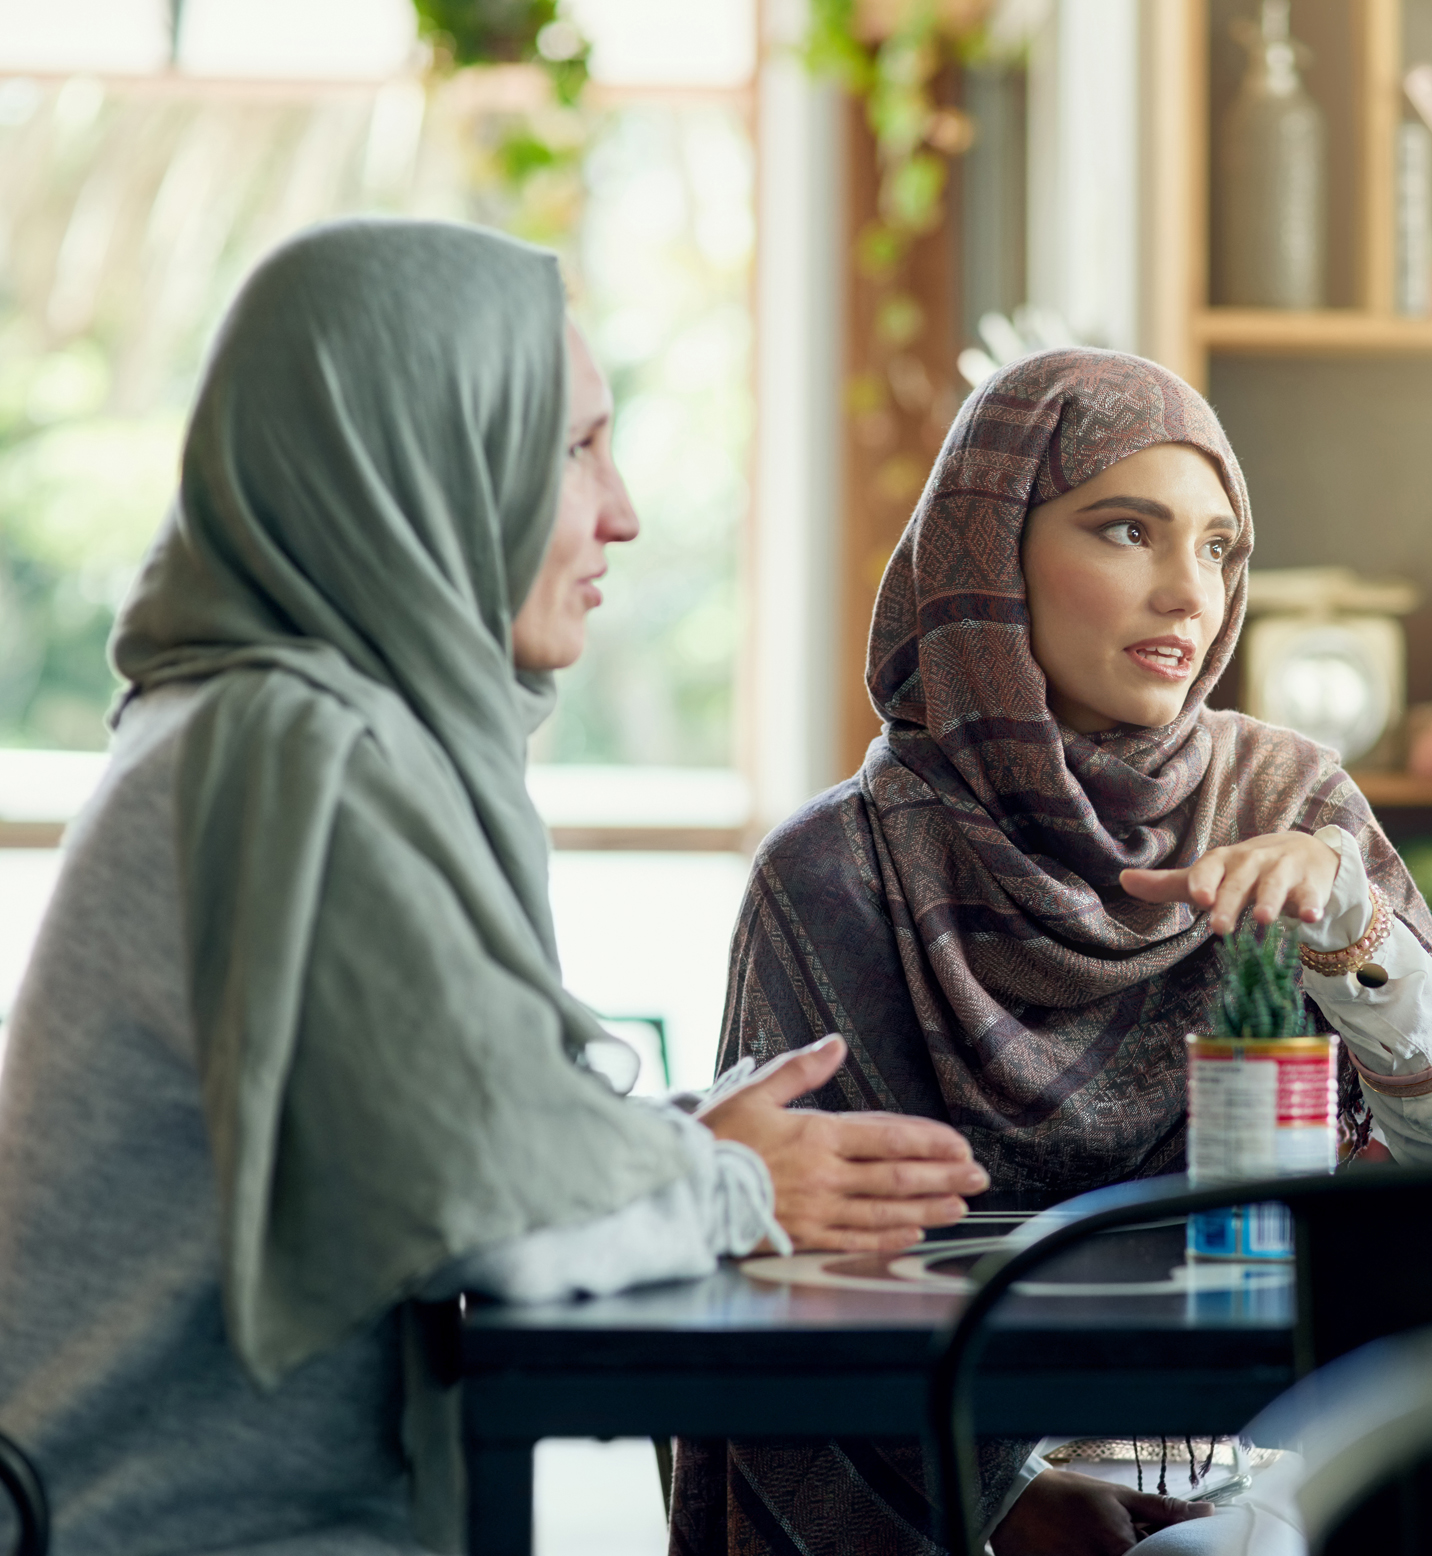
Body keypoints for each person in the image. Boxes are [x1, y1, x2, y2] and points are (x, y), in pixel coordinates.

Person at [0, 218, 985, 1555]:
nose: (622, 511)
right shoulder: (299, 753)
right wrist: (729, 1182)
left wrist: (688, 1144)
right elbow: (500, 1217)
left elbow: (444, 1132)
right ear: (416, 458)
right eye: (575, 446)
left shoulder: (259, 723)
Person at [670, 348, 1432, 1556]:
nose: (1190, 593)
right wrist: (1007, 1502)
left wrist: (1350, 928)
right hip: (951, 1509)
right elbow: (784, 1298)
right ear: (989, 552)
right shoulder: (836, 872)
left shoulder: (1289, 803)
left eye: (1219, 546)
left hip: (1289, 1469)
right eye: (1128, 531)